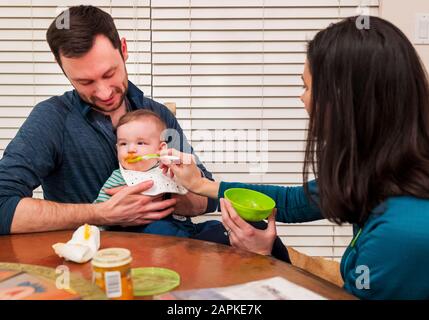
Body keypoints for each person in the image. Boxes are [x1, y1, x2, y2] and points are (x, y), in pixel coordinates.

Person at [160, 16, 429, 299]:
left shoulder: (400, 235)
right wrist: (202, 185)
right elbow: (291, 202)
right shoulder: (379, 173)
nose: (302, 99)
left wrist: (262, 258)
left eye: (307, 87)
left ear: (343, 101)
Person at [0, 5, 217, 235]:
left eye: (109, 74)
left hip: (167, 256)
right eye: (85, 82)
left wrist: (165, 192)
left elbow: (209, 198)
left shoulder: (158, 115)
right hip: (90, 262)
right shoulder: (51, 118)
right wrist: (100, 213)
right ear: (62, 67)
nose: (104, 93)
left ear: (123, 49)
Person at [94, 109, 221, 238]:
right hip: (146, 233)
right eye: (123, 144)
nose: (131, 149)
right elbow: (101, 212)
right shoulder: (118, 177)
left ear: (161, 149)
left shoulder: (170, 168)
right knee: (161, 229)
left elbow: (198, 189)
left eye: (140, 143)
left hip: (184, 226)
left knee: (217, 227)